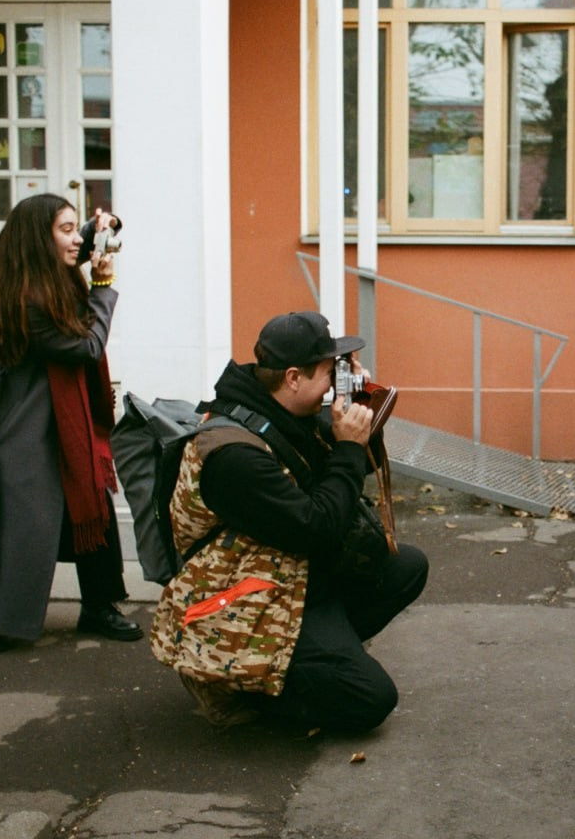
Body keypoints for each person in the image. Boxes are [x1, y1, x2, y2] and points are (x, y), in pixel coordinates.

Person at [152, 311, 429, 731]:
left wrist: (358, 411)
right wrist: (349, 449)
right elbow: (318, 528)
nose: (334, 382)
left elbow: (344, 476)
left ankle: (318, 659)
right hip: (243, 593)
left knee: (404, 568)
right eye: (329, 372)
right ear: (294, 377)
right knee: (370, 700)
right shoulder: (234, 454)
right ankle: (234, 686)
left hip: (288, 572)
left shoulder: (282, 411)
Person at [0, 194, 142, 654]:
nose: (78, 239)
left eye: (78, 228)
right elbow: (87, 347)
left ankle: (99, 606)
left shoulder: (44, 277)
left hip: (58, 416)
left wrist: (103, 225)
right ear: (40, 239)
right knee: (17, 523)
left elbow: (86, 239)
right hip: (19, 426)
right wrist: (105, 284)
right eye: (66, 229)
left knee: (90, 500)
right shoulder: (28, 298)